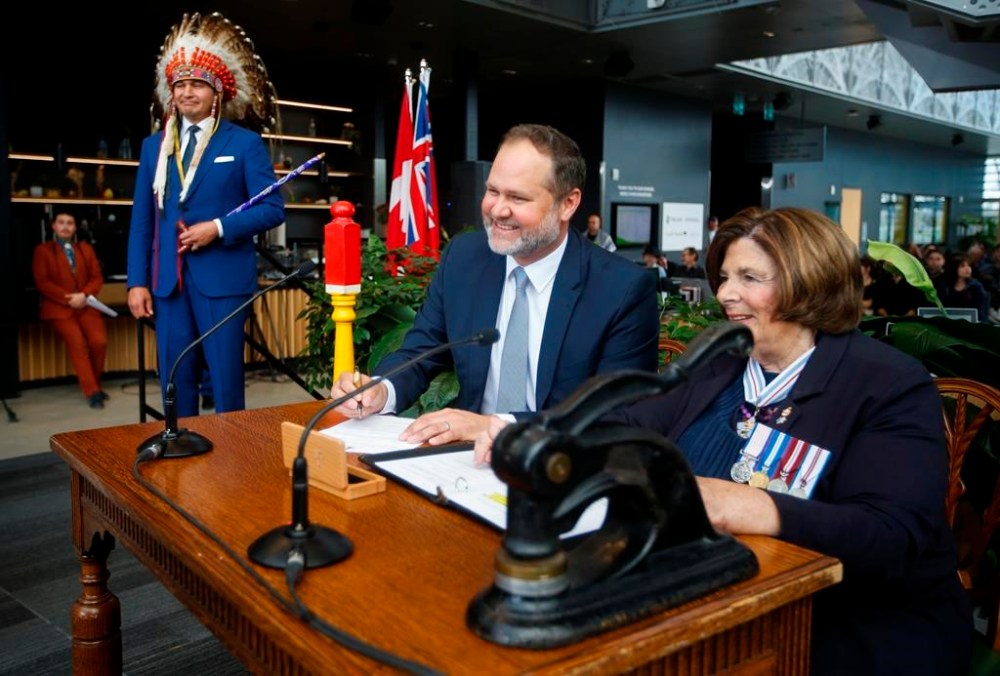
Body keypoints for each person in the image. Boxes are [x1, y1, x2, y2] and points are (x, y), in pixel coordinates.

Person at [475, 207, 971, 675]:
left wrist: (757, 507)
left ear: (811, 281)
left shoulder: (887, 383)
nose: (726, 295)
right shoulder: (721, 361)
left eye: (750, 279)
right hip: (709, 593)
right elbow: (627, 418)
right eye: (726, 278)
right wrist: (516, 429)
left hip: (845, 624)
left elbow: (893, 535)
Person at [331, 123, 659, 444]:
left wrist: (495, 426)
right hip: (461, 464)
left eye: (517, 198)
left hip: (559, 470)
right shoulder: (464, 257)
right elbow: (423, 350)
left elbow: (617, 414)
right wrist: (379, 390)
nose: (497, 210)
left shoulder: (622, 289)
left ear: (568, 204)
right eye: (492, 191)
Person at [126, 13, 285, 417]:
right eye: (180, 85)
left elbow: (272, 208)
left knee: (226, 380)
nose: (187, 92)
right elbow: (143, 222)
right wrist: (137, 282)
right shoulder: (153, 147)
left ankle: (230, 462)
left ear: (217, 91)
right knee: (175, 379)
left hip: (223, 281)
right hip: (168, 284)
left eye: (197, 84)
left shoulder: (245, 144)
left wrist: (217, 228)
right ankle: (178, 451)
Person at [32, 210, 109, 409]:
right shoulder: (43, 250)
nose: (65, 226)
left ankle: (96, 385)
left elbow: (97, 278)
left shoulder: (85, 249)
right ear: (54, 226)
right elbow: (42, 282)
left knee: (99, 341)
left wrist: (83, 295)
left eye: (70, 223)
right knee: (78, 343)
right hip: (59, 308)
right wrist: (69, 299)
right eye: (61, 222)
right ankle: (92, 392)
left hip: (85, 306)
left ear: (75, 227)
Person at [942, 253, 990, 322]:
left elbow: (981, 313)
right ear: (954, 267)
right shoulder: (945, 287)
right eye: (962, 266)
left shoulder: (976, 287)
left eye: (968, 266)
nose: (968, 269)